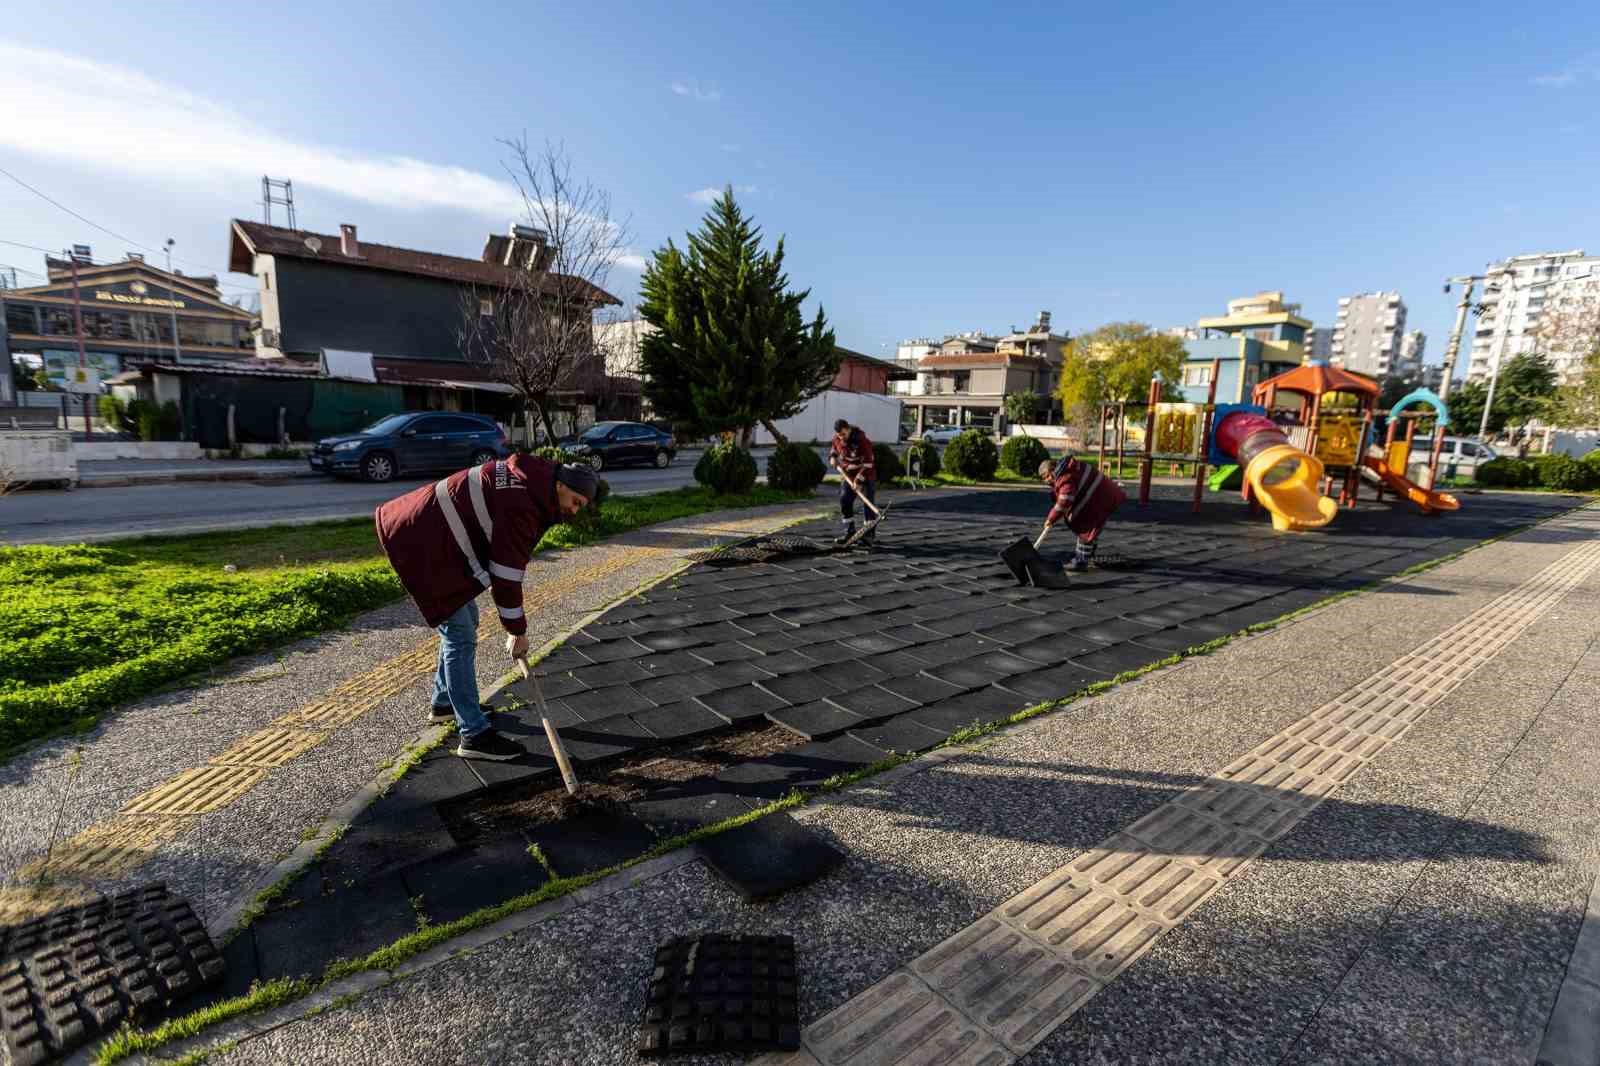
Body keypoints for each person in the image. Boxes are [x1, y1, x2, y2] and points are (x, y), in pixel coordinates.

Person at [375, 453, 598, 760]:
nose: (574, 511)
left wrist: (513, 625)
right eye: (576, 501)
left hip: (433, 537)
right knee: (459, 633)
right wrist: (517, 631)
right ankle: (474, 735)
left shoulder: (532, 480)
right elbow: (505, 576)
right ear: (560, 485)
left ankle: (444, 704)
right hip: (421, 543)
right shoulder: (523, 504)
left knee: (466, 617)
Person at [1037, 451, 1125, 572]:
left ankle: (1081, 561)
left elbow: (1065, 500)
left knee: (1085, 526)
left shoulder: (1065, 477)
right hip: (1101, 495)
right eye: (1044, 479)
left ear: (1053, 470)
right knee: (1089, 525)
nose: (1047, 481)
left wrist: (1051, 518)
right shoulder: (1068, 469)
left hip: (1100, 498)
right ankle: (1088, 557)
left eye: (1047, 476)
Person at [828, 418, 877, 546]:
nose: (842, 437)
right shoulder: (838, 439)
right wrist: (833, 457)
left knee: (867, 503)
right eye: (839, 435)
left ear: (848, 429)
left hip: (865, 473)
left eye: (844, 434)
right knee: (844, 499)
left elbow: (869, 463)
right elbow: (834, 448)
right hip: (848, 474)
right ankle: (849, 531)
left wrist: (859, 480)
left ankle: (868, 535)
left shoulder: (862, 441)